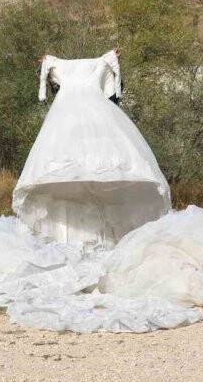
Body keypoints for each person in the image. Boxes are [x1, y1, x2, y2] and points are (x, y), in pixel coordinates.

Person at [13, 49, 170, 247]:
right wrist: (45, 64)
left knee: (89, 170)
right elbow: (112, 93)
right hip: (79, 119)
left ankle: (99, 234)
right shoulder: (97, 64)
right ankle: (77, 234)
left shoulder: (102, 63)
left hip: (71, 118)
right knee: (76, 172)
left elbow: (114, 91)